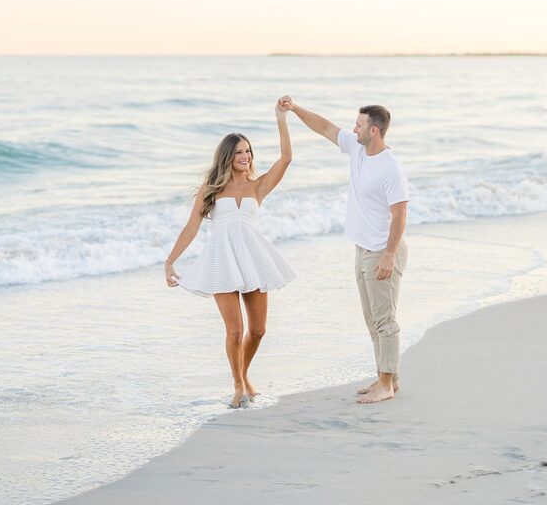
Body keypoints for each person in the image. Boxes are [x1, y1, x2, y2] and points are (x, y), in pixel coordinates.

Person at [164, 103, 296, 408]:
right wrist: (169, 261)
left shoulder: (258, 186)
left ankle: (244, 372)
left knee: (259, 330)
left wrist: (281, 120)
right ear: (227, 156)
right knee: (235, 331)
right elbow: (191, 227)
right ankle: (238, 383)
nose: (245, 156)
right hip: (222, 260)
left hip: (252, 259)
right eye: (239, 152)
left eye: (248, 151)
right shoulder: (210, 189)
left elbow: (287, 158)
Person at [279, 97, 408, 404]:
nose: (354, 128)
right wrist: (295, 110)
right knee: (370, 317)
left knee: (384, 320)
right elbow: (325, 127)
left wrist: (389, 254)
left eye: (359, 125)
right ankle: (386, 377)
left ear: (374, 131)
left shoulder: (391, 168)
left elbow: (401, 214)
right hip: (363, 249)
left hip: (382, 249)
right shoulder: (357, 149)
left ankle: (386, 385)